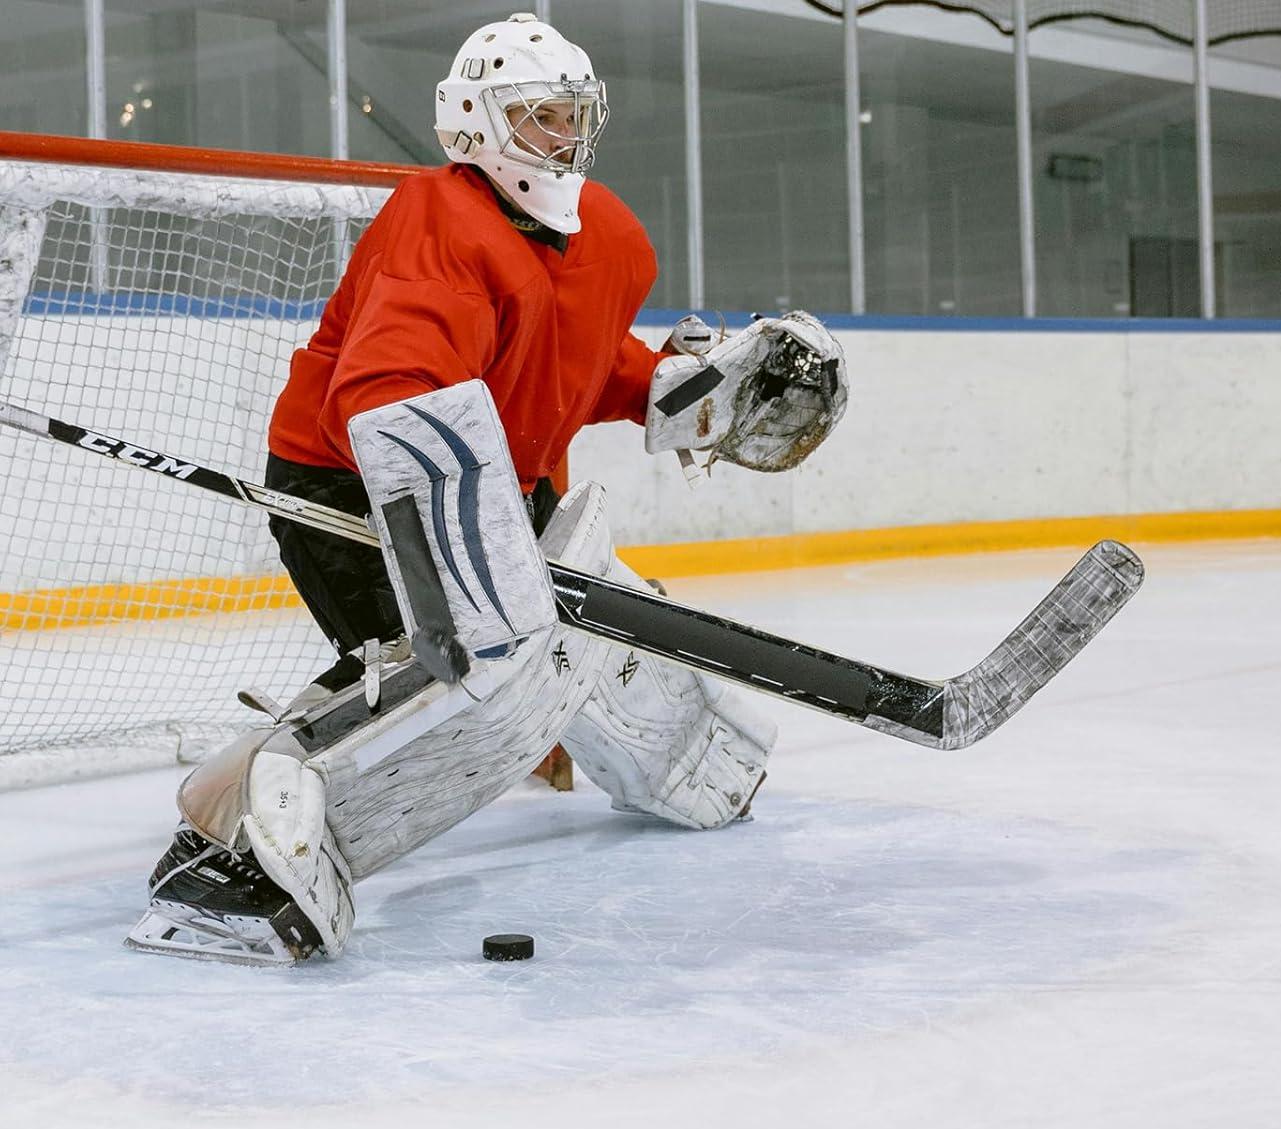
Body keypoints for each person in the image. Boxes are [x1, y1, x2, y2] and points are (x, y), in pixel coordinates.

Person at [126, 12, 847, 966]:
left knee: (556, 648)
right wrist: (467, 573)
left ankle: (680, 756)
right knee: (422, 673)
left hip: (503, 479)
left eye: (572, 113)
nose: (563, 134)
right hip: (351, 480)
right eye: (539, 115)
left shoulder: (610, 234)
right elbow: (387, 393)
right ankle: (226, 846)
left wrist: (672, 393)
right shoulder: (438, 219)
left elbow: (579, 360)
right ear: (476, 121)